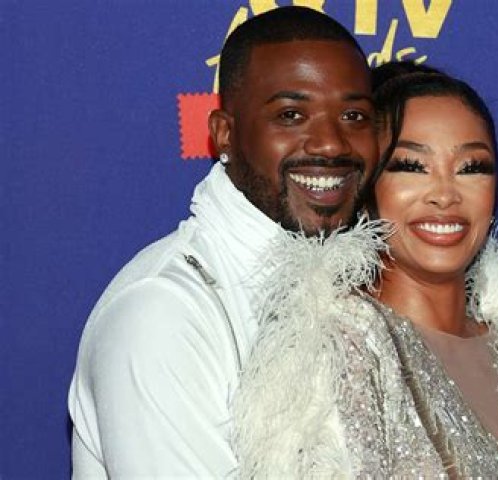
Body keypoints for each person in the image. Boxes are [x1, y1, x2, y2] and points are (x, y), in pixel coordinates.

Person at [231, 63, 498, 477]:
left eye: (471, 168)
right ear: (364, 188)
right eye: (412, 166)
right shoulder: (332, 356)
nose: (445, 194)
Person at [67, 7, 377, 477]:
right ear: (224, 134)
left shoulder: (366, 287)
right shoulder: (162, 311)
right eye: (291, 115)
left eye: (354, 116)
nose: (332, 143)